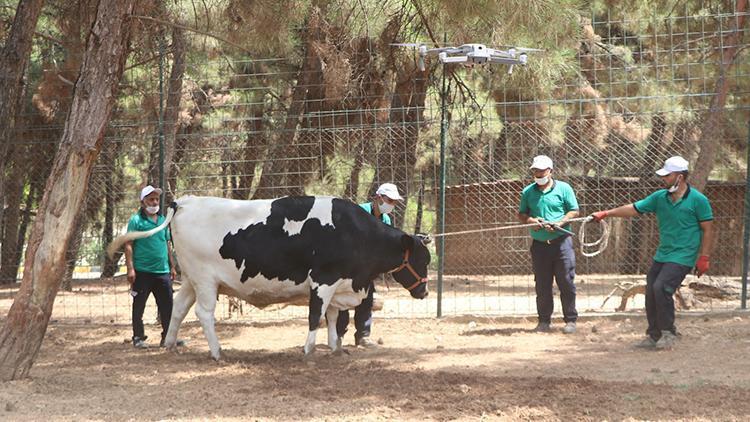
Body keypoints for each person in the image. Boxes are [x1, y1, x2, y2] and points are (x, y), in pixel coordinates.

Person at [590, 156, 713, 350]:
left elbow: (707, 229)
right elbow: (634, 209)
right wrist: (607, 213)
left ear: (680, 177)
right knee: (651, 290)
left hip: (684, 255)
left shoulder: (698, 200)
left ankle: (668, 333)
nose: (663, 179)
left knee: (661, 287)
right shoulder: (660, 197)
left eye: (667, 175)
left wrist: (704, 257)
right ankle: (653, 335)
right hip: (663, 254)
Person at [336, 183, 403, 348]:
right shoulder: (358, 212)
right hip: (348, 266)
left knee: (367, 299)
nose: (392, 205)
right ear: (379, 198)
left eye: (394, 202)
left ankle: (363, 336)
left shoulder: (385, 219)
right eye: (390, 200)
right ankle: (338, 336)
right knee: (343, 301)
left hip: (365, 268)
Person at [518, 155, 580, 334]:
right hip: (539, 245)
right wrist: (531, 220)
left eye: (541, 171)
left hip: (562, 243)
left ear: (550, 171)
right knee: (542, 284)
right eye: (535, 171)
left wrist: (560, 223)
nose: (538, 174)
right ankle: (544, 321)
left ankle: (570, 320)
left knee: (566, 281)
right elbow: (522, 214)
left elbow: (574, 210)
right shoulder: (528, 192)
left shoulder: (564, 188)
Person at [125, 185, 181, 349]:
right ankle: (138, 337)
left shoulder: (163, 220)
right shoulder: (136, 220)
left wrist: (172, 266)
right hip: (142, 271)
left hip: (162, 271)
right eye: (150, 199)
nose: (154, 202)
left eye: (156, 199)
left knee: (167, 306)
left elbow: (166, 244)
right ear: (143, 201)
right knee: (139, 305)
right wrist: (130, 268)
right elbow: (128, 244)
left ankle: (168, 337)